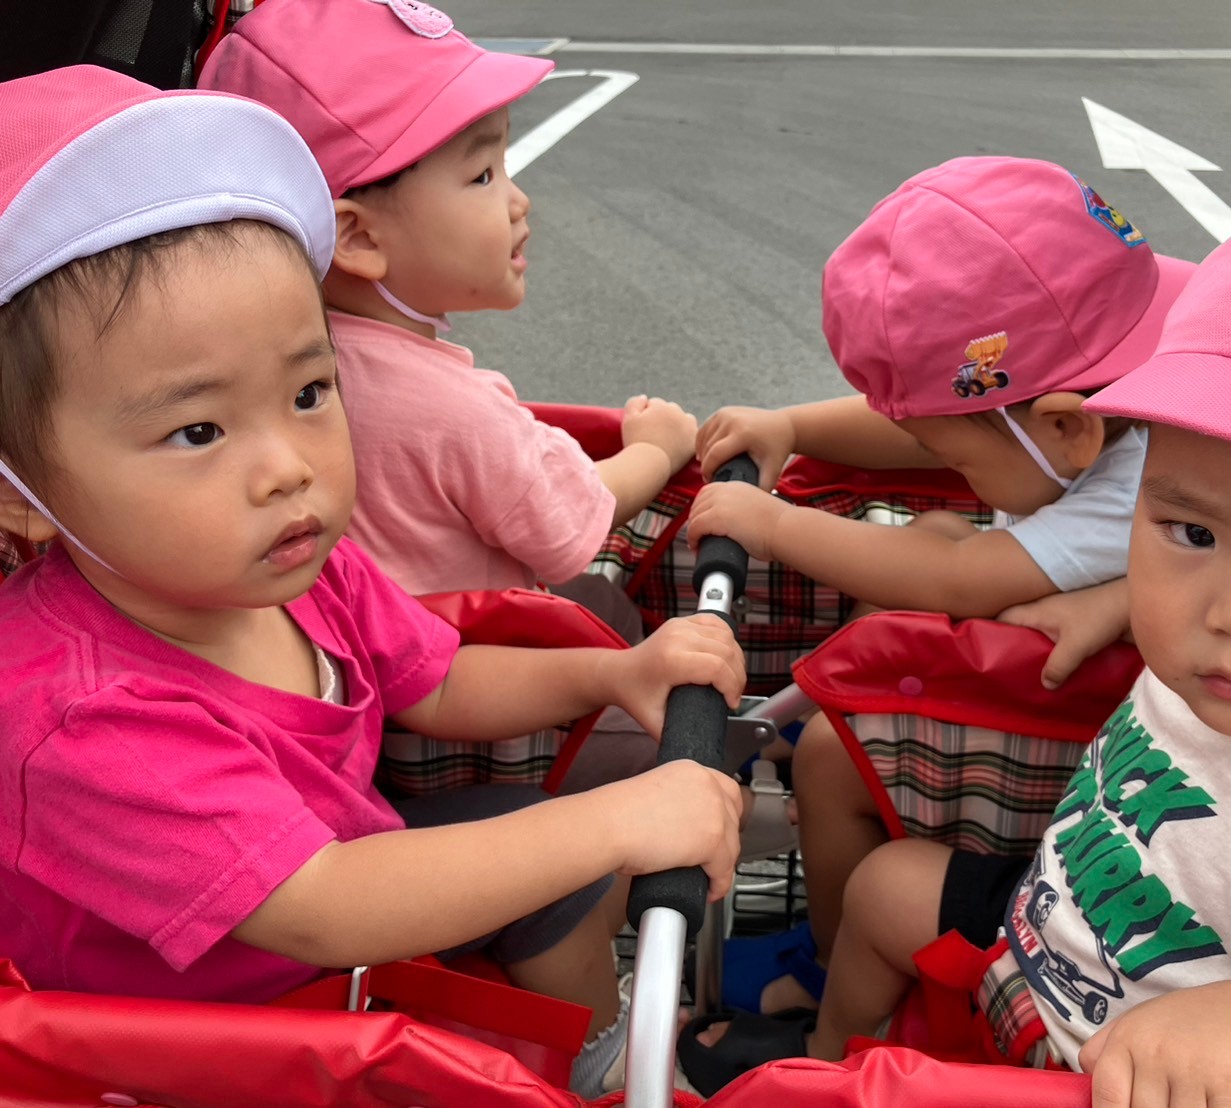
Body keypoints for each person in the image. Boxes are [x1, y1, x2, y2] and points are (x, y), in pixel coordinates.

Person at [0, 67, 743, 1100]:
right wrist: (619, 821)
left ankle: (595, 1053)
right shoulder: (81, 714)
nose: (287, 467)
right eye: (199, 430)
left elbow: (437, 678)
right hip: (207, 1050)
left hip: (337, 949)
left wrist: (613, 674)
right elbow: (322, 901)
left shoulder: (292, 572)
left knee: (540, 850)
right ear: (23, 498)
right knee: (568, 839)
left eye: (309, 392)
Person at [678, 161, 1231, 1108]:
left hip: (1114, 1063)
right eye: (1192, 533)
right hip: (1053, 926)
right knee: (886, 884)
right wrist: (1117, 600)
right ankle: (827, 1048)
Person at [689, 155, 1195, 1015]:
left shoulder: (1138, 488)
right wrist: (793, 426)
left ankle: (830, 964)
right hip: (1069, 683)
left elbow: (961, 580)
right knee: (930, 529)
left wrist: (771, 525)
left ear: (1064, 427)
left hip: (1097, 733)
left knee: (830, 757)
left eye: (949, 458)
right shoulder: (1119, 384)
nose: (937, 460)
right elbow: (934, 429)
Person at [197, 0, 696, 610]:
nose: (519, 201)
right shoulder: (450, 410)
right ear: (359, 237)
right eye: (483, 175)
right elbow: (569, 523)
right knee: (610, 608)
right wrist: (656, 448)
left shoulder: (281, 379)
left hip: (364, 647)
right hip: (473, 655)